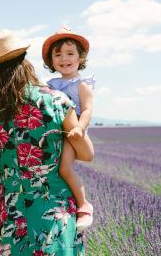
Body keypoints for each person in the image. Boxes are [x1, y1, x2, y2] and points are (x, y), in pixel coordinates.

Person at [0, 30, 94, 256]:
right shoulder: (57, 100)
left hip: (11, 219)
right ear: (24, 62)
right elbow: (86, 154)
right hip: (56, 219)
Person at [42, 26, 95, 231]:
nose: (64, 59)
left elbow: (88, 111)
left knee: (65, 168)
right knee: (53, 170)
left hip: (73, 133)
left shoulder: (82, 84)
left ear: (80, 57)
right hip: (57, 132)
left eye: (70, 53)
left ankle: (84, 205)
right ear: (52, 61)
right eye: (58, 54)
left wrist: (80, 128)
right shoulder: (50, 84)